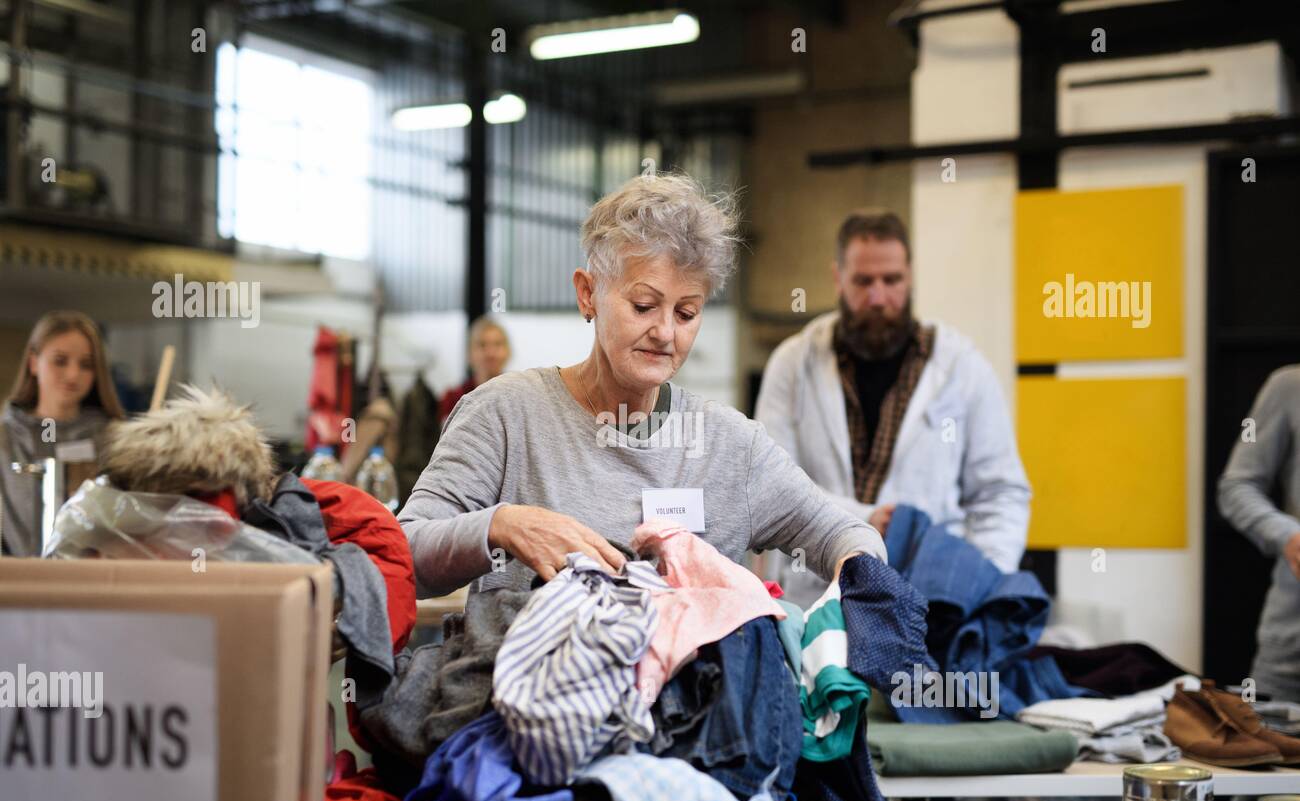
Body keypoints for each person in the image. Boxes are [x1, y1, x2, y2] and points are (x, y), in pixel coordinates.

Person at [399, 172, 884, 605]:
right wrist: (503, 525)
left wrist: (855, 591)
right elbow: (404, 554)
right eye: (644, 305)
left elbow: (843, 534)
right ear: (588, 293)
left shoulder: (732, 448)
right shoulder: (504, 416)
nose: (666, 332)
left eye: (686, 313)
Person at [755, 209, 1029, 605]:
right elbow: (772, 485)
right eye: (863, 281)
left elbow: (1001, 493)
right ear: (838, 278)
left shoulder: (961, 366)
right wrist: (864, 520)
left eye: (892, 280)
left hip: (931, 602)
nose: (878, 297)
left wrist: (982, 584)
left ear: (911, 276)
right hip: (816, 595)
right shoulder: (794, 363)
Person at [0, 310, 125, 556]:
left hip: (93, 585)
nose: (73, 375)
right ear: (34, 362)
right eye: (60, 360)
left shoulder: (115, 440)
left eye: (86, 365)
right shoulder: (5, 438)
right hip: (13, 585)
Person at [1218, 365, 1300, 703]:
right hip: (1291, 647)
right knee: (1263, 746)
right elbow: (1237, 486)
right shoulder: (1289, 386)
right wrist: (1288, 536)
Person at [438, 315, 511, 425]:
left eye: (497, 344)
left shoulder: (517, 398)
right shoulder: (452, 400)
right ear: (469, 353)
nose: (490, 353)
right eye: (482, 345)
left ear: (508, 352)